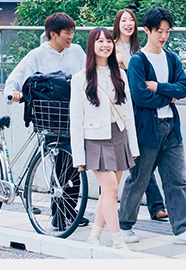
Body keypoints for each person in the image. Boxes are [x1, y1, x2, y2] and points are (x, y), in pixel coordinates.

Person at [117, 7, 186, 246]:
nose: (163, 36)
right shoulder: (138, 61)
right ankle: (124, 225)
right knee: (139, 178)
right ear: (147, 30)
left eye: (167, 31)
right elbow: (140, 96)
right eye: (159, 31)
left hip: (171, 128)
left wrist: (159, 87)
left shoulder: (172, 58)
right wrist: (169, 96)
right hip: (148, 128)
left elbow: (184, 88)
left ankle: (182, 229)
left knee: (177, 180)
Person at [3, 12, 89, 227]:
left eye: (72, 32)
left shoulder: (77, 51)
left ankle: (69, 211)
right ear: (53, 34)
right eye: (67, 32)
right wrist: (13, 93)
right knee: (62, 162)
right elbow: (16, 76)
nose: (71, 37)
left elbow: (89, 74)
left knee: (75, 164)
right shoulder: (37, 55)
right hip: (50, 116)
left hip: (73, 115)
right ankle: (59, 214)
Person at [70, 28, 140, 250]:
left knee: (109, 192)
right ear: (92, 46)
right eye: (100, 41)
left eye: (109, 41)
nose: (105, 45)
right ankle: (118, 241)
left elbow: (128, 113)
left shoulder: (120, 75)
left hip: (119, 135)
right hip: (95, 139)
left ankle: (94, 236)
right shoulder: (80, 79)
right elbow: (76, 120)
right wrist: (78, 156)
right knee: (110, 189)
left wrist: (133, 146)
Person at [113, 8, 168, 222]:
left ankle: (155, 205)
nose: (128, 24)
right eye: (123, 20)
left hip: (142, 110)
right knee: (138, 160)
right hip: (123, 108)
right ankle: (148, 206)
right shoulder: (112, 47)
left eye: (131, 20)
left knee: (142, 159)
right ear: (117, 24)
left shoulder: (141, 49)